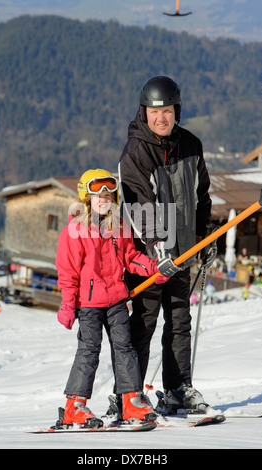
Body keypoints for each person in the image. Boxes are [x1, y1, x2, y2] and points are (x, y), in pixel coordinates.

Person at [118, 76, 216, 414]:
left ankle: (177, 388)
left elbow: (201, 197)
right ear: (144, 111)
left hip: (183, 252)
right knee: (143, 323)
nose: (161, 117)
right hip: (148, 259)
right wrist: (159, 248)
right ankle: (128, 394)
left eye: (168, 110)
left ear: (177, 110)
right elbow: (137, 205)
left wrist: (206, 237)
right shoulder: (136, 152)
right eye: (154, 111)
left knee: (179, 322)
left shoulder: (192, 145)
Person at [55, 169, 168, 427]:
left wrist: (153, 269)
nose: (104, 201)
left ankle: (130, 401)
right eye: (99, 197)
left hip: (116, 300)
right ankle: (75, 405)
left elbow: (130, 258)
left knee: (125, 348)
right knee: (89, 350)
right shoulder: (75, 231)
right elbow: (67, 271)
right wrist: (67, 304)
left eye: (109, 196)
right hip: (88, 304)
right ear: (86, 199)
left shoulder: (118, 227)